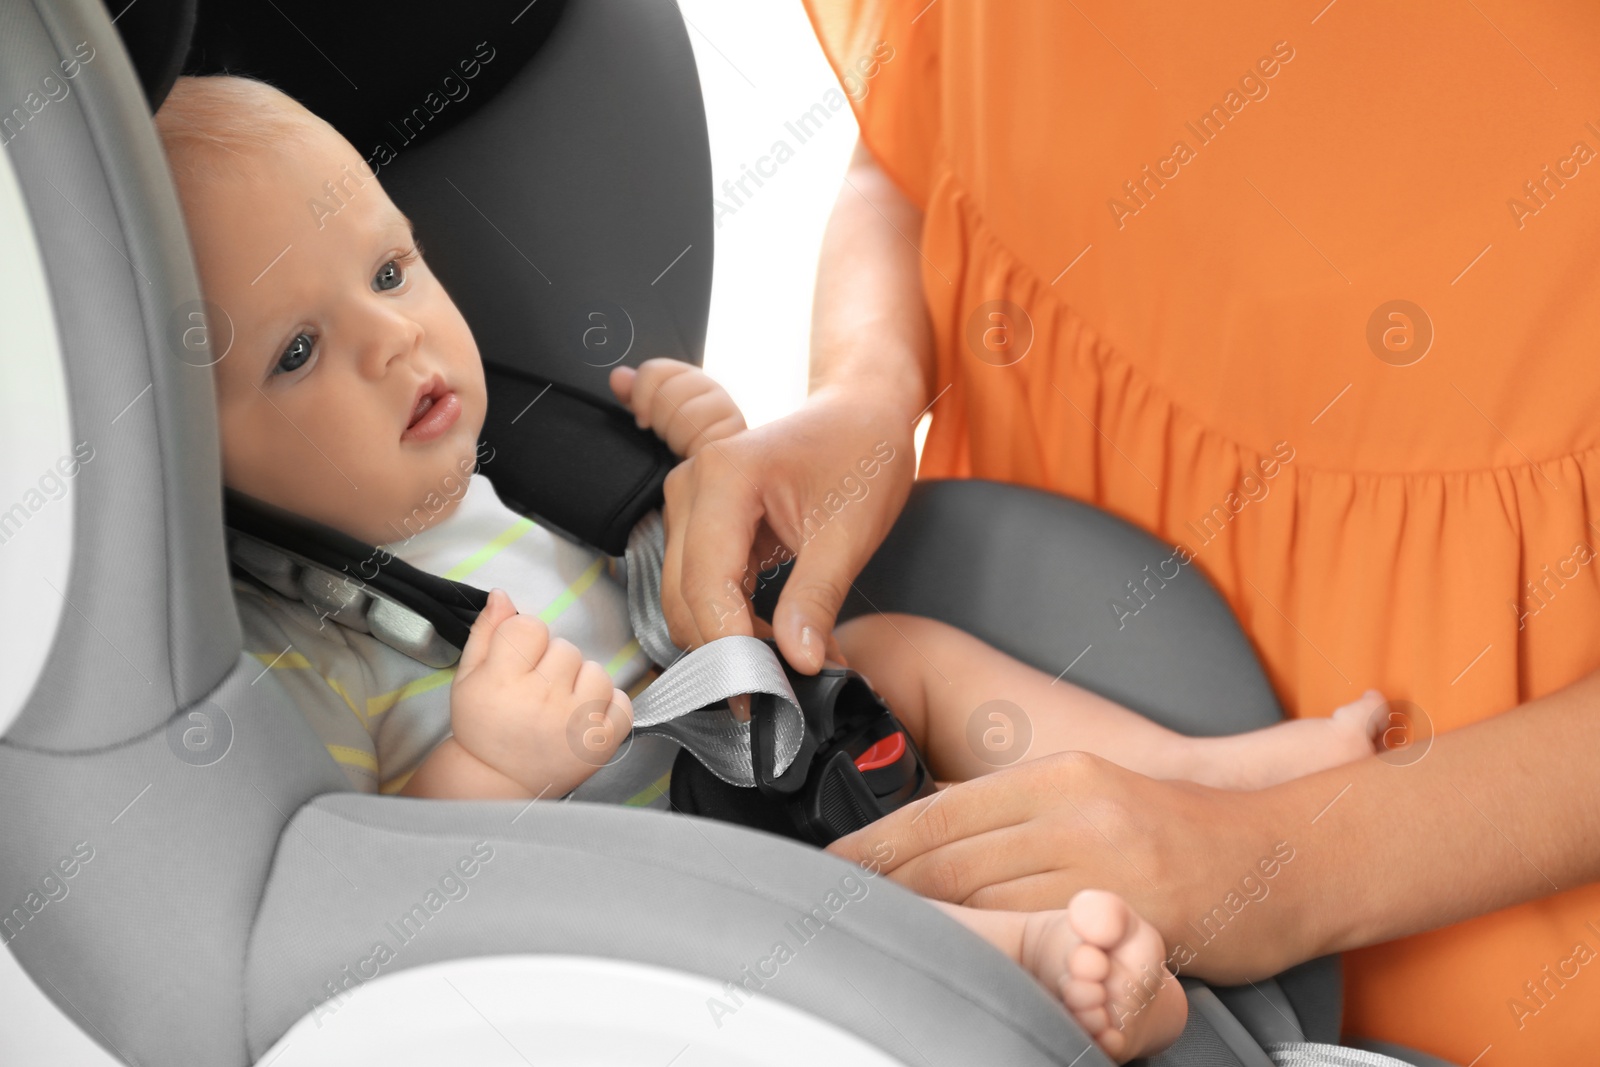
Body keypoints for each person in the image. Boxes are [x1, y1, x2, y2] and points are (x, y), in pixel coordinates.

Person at [153, 71, 1227, 1061]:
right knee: (794, 906)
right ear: (193, 457)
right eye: (296, 352)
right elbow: (356, 905)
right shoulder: (294, 645)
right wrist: (484, 769)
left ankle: (1201, 785)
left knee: (903, 650)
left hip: (763, 748)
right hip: (653, 889)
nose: (393, 336)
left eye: (391, 270)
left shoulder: (525, 461)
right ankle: (1028, 966)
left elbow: (701, 587)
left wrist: (705, 460)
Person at [655, 3, 1600, 1064]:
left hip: (1469, 882)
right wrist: (866, 389)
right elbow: (918, 137)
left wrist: (1273, 866)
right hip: (1029, 638)